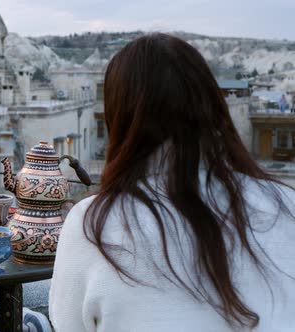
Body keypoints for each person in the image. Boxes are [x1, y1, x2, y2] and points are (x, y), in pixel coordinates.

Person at [49, 33, 295, 331]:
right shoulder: (285, 204)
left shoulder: (93, 223)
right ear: (213, 105)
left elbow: (67, 324)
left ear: (120, 116)